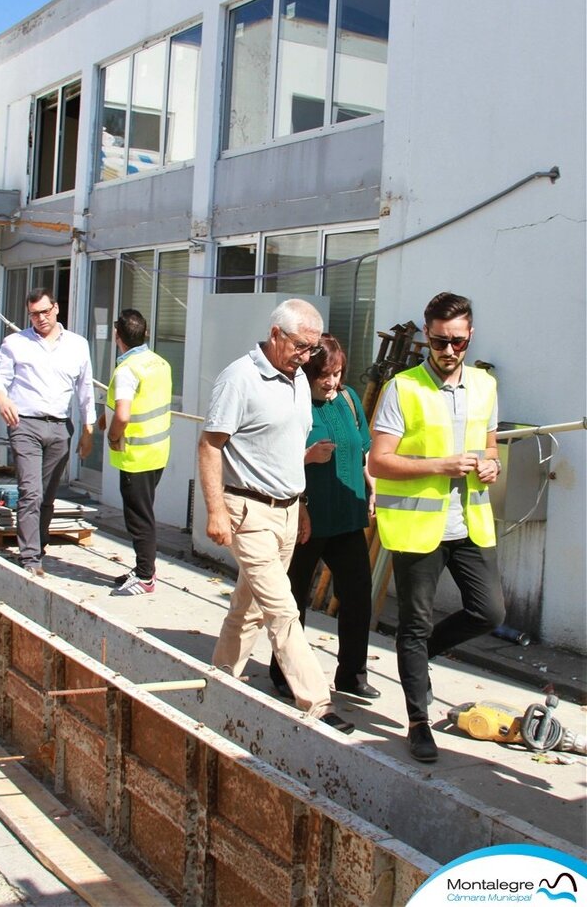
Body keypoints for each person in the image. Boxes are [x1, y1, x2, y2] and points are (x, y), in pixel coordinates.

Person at [198, 298, 354, 734]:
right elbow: (210, 446)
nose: (308, 356)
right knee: (283, 609)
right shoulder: (239, 379)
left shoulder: (298, 381)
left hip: (286, 512)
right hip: (247, 511)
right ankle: (318, 702)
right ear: (276, 335)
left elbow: (287, 451)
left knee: (248, 608)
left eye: (312, 347)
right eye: (302, 346)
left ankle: (220, 678)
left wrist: (300, 506)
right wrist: (215, 511)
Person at [369, 291, 505, 763]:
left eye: (459, 343)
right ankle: (418, 722)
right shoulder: (402, 388)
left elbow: (490, 448)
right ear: (427, 335)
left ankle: (420, 654)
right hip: (417, 528)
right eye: (441, 342)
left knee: (490, 612)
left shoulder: (485, 386)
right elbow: (380, 462)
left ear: (470, 337)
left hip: (470, 523)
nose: (450, 352)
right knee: (414, 622)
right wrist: (439, 465)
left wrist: (492, 466)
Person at [268, 334, 379, 701]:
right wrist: (307, 456)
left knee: (358, 595)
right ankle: (285, 672)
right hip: (306, 517)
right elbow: (270, 458)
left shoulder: (347, 401)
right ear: (308, 374)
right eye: (324, 376)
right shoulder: (294, 404)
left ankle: (351, 673)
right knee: (293, 598)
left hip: (347, 514)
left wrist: (371, 483)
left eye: (338, 373)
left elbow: (362, 448)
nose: (332, 382)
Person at [0, 288, 95, 577]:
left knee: (47, 494)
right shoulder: (15, 343)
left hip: (60, 426)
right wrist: (1, 398)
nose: (41, 318)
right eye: (35, 314)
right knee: (30, 492)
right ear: (28, 315)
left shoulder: (77, 345)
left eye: (45, 311)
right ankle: (30, 557)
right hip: (25, 425)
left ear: (56, 309)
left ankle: (39, 544)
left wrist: (88, 428)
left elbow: (85, 389)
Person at [102, 309, 171, 596]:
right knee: (144, 512)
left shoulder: (127, 370)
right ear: (145, 334)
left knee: (139, 518)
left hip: (136, 456)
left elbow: (123, 414)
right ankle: (143, 568)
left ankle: (145, 576)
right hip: (158, 451)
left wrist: (112, 435)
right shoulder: (160, 363)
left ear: (117, 336)